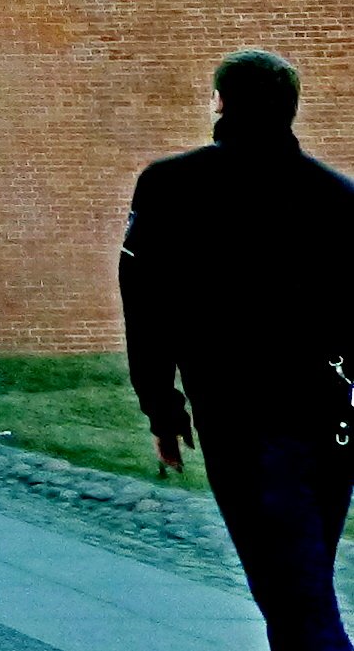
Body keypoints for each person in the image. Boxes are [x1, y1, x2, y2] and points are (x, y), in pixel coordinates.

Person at [123, 48, 354, 650]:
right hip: (331, 419)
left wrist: (161, 407)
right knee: (300, 580)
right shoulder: (337, 196)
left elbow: (144, 304)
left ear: (221, 103)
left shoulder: (171, 186)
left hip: (239, 416)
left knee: (291, 591)